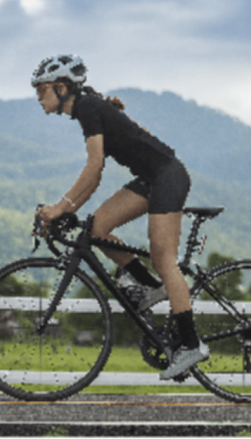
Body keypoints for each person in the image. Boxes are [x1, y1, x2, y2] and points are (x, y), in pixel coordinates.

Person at [32, 54, 209, 380]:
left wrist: (61, 207)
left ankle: (191, 344)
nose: (38, 97)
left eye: (41, 90)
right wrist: (66, 208)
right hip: (151, 179)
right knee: (96, 228)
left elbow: (94, 167)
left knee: (164, 259)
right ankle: (150, 287)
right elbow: (94, 176)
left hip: (167, 176)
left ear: (61, 88)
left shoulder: (87, 107)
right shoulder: (87, 108)